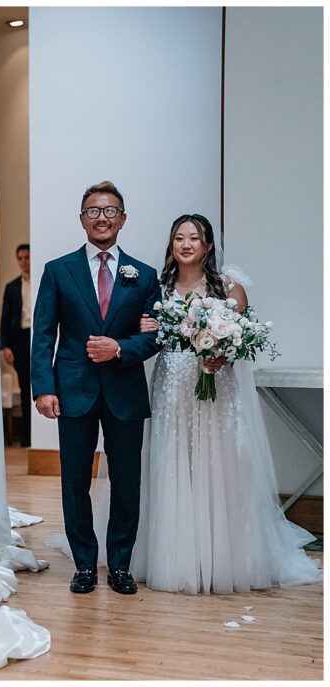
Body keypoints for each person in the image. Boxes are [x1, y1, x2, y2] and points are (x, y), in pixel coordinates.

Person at [130, 214, 322, 594]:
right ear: (171, 245)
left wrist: (224, 356)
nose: (186, 245)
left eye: (194, 238)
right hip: (171, 386)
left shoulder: (227, 287)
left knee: (216, 465)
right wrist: (144, 327)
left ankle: (221, 558)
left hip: (217, 388)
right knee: (173, 462)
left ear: (208, 245)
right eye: (179, 238)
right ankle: (175, 556)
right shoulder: (159, 287)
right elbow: (146, 329)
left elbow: (241, 339)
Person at [31, 180, 161, 595]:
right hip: (73, 390)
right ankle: (85, 563)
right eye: (93, 211)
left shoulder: (143, 275)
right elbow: (43, 335)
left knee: (126, 482)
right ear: (82, 218)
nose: (101, 217)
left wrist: (119, 348)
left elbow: (156, 335)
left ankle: (120, 564)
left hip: (124, 392)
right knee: (74, 481)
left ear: (123, 218)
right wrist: (43, 388)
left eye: (109, 210)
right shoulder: (57, 270)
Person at [0, 243, 32, 446]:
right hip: (19, 339)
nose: (24, 262)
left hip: (36, 336)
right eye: (20, 258)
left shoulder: (41, 281)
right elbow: (6, 318)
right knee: (24, 386)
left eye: (27, 257)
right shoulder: (12, 287)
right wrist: (5, 346)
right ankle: (27, 435)